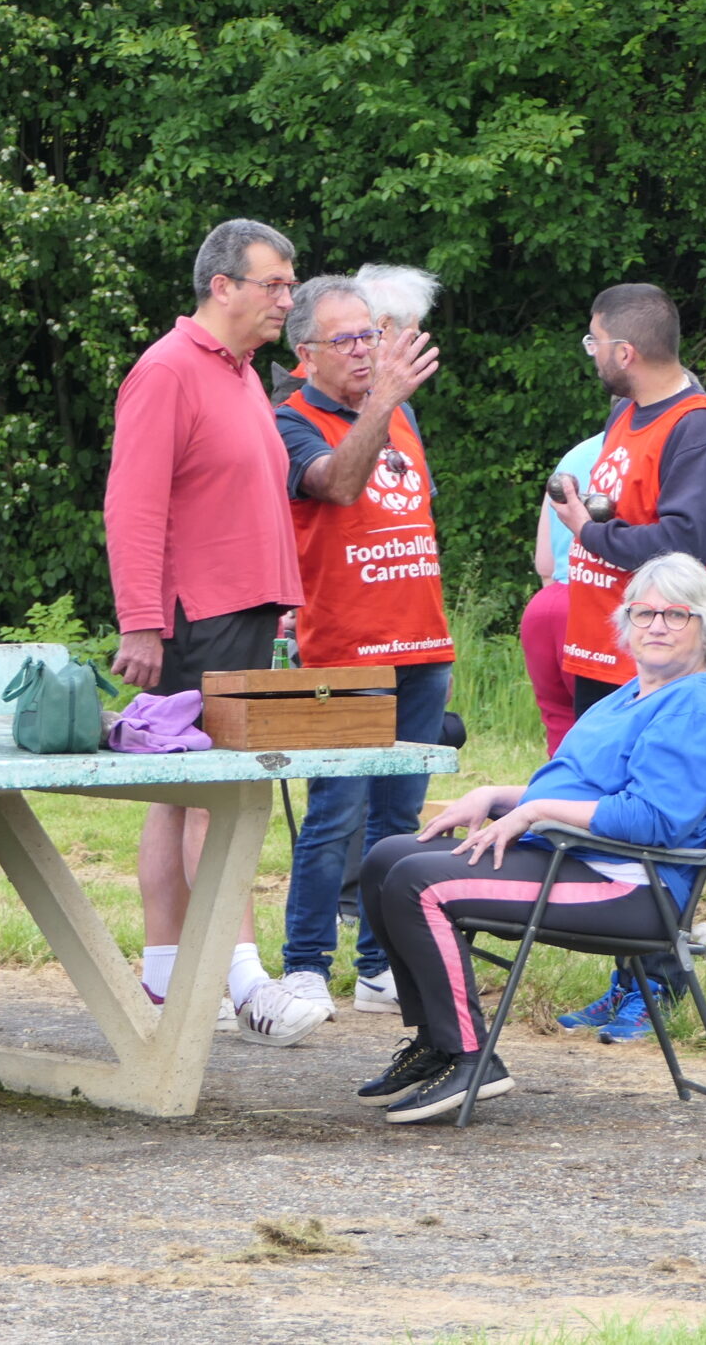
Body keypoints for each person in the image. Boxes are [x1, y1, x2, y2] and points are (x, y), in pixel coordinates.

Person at [353, 555, 706, 1124]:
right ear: (626, 623)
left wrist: (535, 810)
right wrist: (497, 795)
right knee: (388, 856)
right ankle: (436, 1041)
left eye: (676, 615)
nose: (657, 626)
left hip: (630, 885)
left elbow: (654, 819)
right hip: (569, 855)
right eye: (644, 613)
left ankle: (471, 1058)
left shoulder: (698, 705)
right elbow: (581, 789)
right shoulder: (632, 693)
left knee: (419, 883)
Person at [105, 219, 323, 1046]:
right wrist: (140, 620)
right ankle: (247, 982)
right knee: (220, 795)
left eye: (291, 284)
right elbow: (133, 504)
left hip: (245, 606)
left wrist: (282, 593)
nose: (288, 299)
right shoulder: (168, 369)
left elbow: (239, 494)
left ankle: (167, 973)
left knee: (180, 794)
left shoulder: (241, 373)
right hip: (198, 614)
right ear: (222, 285)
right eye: (274, 284)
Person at [550, 283, 706, 1040]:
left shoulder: (699, 430)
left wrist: (587, 532)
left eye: (594, 341)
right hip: (612, 651)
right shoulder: (625, 413)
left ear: (625, 351)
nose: (590, 353)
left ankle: (657, 984)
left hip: (664, 657)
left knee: (656, 828)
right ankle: (624, 977)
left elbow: (686, 542)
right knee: (606, 827)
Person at [273, 276, 448, 1019]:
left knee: (400, 822)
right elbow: (339, 485)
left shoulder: (400, 413)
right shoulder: (288, 420)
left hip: (424, 644)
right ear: (306, 353)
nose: (362, 351)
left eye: (369, 335)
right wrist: (383, 402)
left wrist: (388, 403)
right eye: (343, 339)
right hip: (346, 650)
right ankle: (306, 963)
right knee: (334, 817)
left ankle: (380, 965)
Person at [523, 431, 604, 756]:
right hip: (597, 602)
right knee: (605, 738)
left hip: (548, 604)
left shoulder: (574, 455)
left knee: (561, 735)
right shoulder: (648, 451)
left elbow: (545, 563)